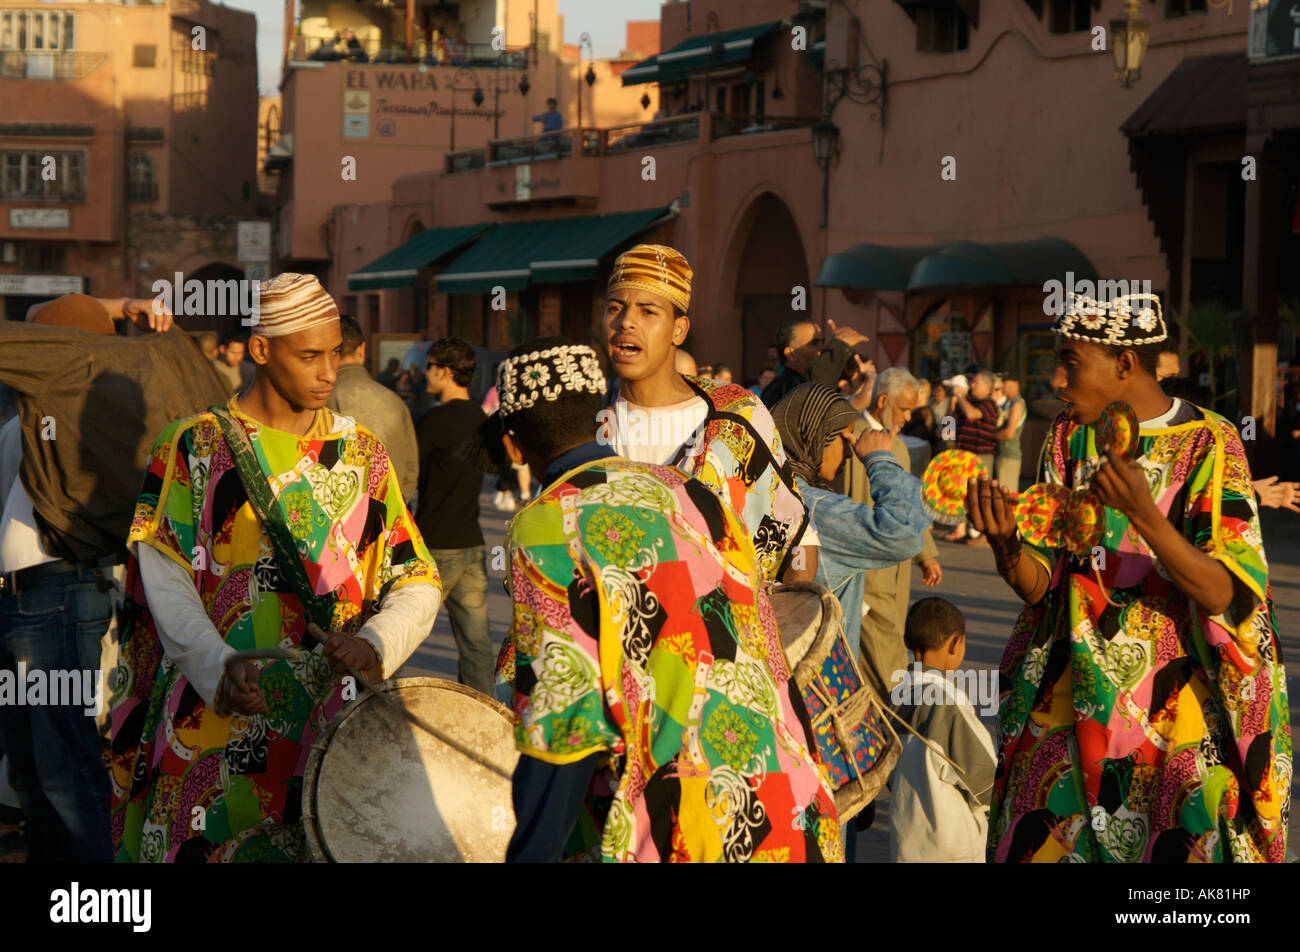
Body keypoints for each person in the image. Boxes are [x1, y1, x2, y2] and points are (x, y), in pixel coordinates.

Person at [110, 273, 442, 862]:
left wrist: (377, 641)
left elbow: (414, 574)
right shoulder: (193, 446)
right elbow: (165, 580)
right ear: (261, 351)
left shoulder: (363, 453)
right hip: (214, 727)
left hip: (331, 735)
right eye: (309, 355)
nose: (327, 371)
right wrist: (218, 668)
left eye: (335, 353)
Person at [969, 292, 1289, 863]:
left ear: (1124, 364)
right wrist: (1005, 546)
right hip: (1068, 708)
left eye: (1071, 362)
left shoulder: (1210, 443)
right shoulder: (1069, 437)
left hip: (1174, 713)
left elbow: (1231, 595)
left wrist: (1146, 516)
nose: (1057, 382)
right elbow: (1043, 584)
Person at [497, 338, 842, 862]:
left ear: (513, 448)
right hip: (793, 803)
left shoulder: (547, 523)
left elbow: (566, 720)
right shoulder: (693, 492)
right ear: (601, 419)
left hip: (689, 826)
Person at [0, 292, 226, 862]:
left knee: (62, 764)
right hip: (39, 595)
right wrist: (121, 305)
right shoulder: (64, 403)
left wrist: (113, 309)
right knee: (33, 764)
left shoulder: (71, 379)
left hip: (53, 593)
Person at [601, 243, 812, 582]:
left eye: (648, 311)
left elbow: (794, 540)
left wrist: (795, 622)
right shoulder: (581, 419)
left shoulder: (736, 416)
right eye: (615, 308)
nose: (626, 322)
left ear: (678, 330)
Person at [771, 382, 930, 659]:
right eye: (844, 438)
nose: (849, 451)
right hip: (820, 681)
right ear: (814, 434)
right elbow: (902, 533)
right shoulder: (813, 507)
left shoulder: (767, 489)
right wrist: (880, 460)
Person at [837, 368, 942, 702]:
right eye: (903, 410)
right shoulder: (853, 438)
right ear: (883, 400)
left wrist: (927, 555)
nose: (909, 418)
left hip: (897, 570)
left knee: (891, 644)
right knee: (882, 664)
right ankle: (886, 731)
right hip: (868, 569)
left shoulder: (898, 445)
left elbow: (910, 504)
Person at [888, 597, 996, 863]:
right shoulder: (947, 703)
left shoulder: (893, 700)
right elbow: (984, 779)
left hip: (905, 840)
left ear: (906, 641)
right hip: (953, 847)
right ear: (956, 643)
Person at [414, 339, 492, 695]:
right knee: (475, 643)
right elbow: (490, 468)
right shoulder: (481, 419)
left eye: (430, 366)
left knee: (404, 630)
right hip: (471, 542)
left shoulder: (433, 420)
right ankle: (483, 710)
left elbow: (412, 472)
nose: (424, 372)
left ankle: (373, 704)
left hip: (435, 542)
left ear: (444, 371)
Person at [326, 315, 419, 501]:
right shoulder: (394, 401)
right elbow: (411, 469)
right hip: (391, 512)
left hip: (339, 518)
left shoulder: (320, 400)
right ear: (362, 348)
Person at [760, 318, 869, 408]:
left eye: (822, 342)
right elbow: (812, 395)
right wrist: (839, 347)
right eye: (814, 343)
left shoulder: (820, 379)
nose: (821, 349)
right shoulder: (782, 389)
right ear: (791, 354)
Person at [942, 371, 998, 545]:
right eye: (972, 382)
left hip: (981, 455)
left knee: (980, 494)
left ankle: (982, 533)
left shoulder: (989, 404)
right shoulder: (965, 402)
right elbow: (947, 427)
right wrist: (952, 400)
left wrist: (959, 395)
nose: (972, 385)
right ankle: (962, 529)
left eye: (976, 382)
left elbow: (972, 414)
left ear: (987, 386)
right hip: (963, 453)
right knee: (960, 493)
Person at [992, 372, 1027, 493]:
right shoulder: (1008, 403)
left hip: (1009, 456)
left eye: (1004, 382)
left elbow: (1009, 433)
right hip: (1001, 454)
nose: (1002, 386)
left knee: (1006, 497)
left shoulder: (1017, 404)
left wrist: (988, 436)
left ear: (1015, 383)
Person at [212, 330, 247, 395]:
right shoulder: (212, 368)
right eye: (233, 353)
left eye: (240, 353)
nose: (238, 357)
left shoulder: (248, 369)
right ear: (222, 349)